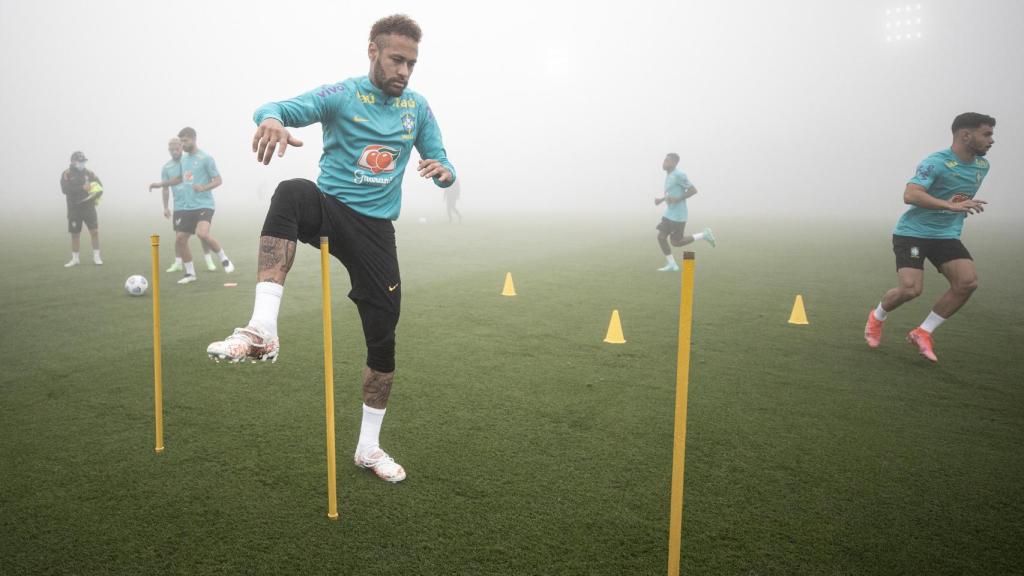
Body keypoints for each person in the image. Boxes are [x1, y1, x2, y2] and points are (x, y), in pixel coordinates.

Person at [206, 14, 456, 484]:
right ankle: (262, 330)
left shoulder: (416, 109)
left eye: (412, 63)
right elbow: (276, 106)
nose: (404, 71)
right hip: (332, 210)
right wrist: (274, 121)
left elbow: (440, 156)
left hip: (377, 231)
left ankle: (368, 448)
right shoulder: (343, 95)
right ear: (373, 51)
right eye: (396, 59)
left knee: (384, 340)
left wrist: (443, 170)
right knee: (292, 190)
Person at [864, 112, 994, 363]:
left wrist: (953, 209)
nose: (991, 140)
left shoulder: (982, 166)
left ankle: (922, 332)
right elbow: (910, 195)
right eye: (986, 134)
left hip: (946, 236)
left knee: (967, 283)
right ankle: (877, 316)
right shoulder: (935, 162)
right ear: (966, 135)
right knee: (911, 289)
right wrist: (949, 205)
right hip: (913, 234)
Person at [174, 127, 234, 283]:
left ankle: (224, 259)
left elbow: (218, 180)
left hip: (204, 204)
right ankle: (190, 274)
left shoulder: (206, 158)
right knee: (180, 239)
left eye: (185, 141)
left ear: (194, 139)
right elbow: (183, 179)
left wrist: (204, 187)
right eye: (181, 141)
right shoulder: (183, 160)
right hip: (187, 206)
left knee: (202, 234)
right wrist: (163, 185)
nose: (183, 144)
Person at [148, 137, 217, 272]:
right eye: (172, 150)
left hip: (195, 204)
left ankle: (208, 260)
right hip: (179, 206)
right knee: (179, 236)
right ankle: (178, 262)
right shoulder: (166, 167)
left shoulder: (189, 161)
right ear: (169, 150)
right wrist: (166, 207)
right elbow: (166, 188)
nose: (175, 152)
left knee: (202, 233)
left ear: (181, 148)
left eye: (177, 149)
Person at [654, 153, 715, 272]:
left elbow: (693, 190)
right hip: (669, 213)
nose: (664, 163)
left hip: (678, 215)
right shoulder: (669, 175)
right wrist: (661, 200)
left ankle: (704, 235)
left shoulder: (679, 175)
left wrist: (677, 199)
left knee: (676, 242)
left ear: (674, 163)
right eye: (664, 160)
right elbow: (671, 192)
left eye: (667, 161)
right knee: (661, 237)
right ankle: (672, 265)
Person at [60, 151, 103, 267]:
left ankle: (97, 257)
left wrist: (96, 196)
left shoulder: (89, 173)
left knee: (94, 232)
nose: (82, 163)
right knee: (75, 234)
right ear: (73, 162)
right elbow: (65, 189)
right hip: (74, 209)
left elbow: (100, 187)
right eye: (80, 161)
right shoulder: (67, 174)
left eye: (84, 161)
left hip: (89, 208)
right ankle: (75, 259)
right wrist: (82, 188)